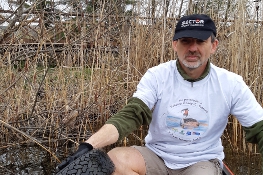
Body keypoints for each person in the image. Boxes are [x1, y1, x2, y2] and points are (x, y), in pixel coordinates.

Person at [57, 14, 263, 175]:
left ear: (214, 45)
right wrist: (88, 145)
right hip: (157, 156)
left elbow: (259, 129)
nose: (192, 48)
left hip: (202, 161)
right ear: (175, 44)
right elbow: (132, 114)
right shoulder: (157, 76)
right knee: (114, 162)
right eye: (185, 41)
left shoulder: (231, 83)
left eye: (200, 41)